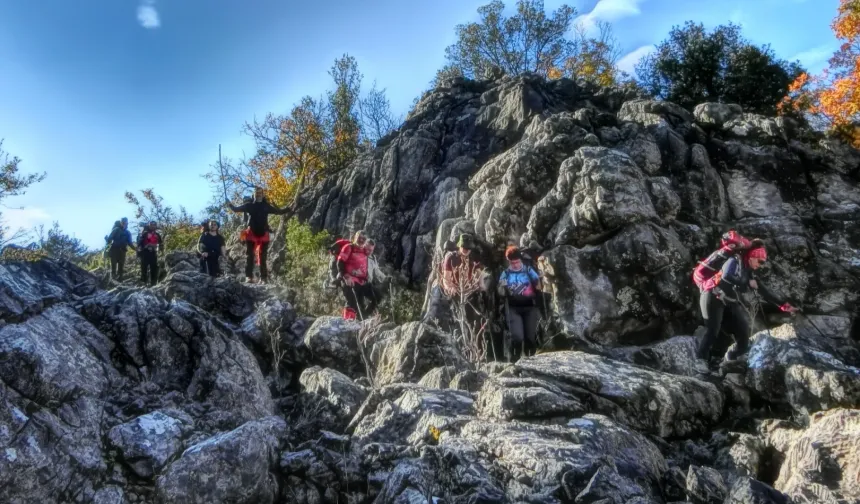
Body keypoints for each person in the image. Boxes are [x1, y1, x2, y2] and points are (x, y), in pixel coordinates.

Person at [696, 240, 797, 373]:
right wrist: (747, 282)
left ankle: (731, 358)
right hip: (712, 296)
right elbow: (726, 276)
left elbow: (763, 291)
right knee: (712, 330)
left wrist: (784, 305)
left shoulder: (746, 270)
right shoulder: (733, 260)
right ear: (752, 256)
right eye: (759, 261)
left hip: (729, 301)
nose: (760, 265)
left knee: (743, 333)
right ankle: (700, 361)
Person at [227, 187, 291, 284]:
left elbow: (279, 211)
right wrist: (230, 204)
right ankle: (249, 276)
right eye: (256, 193)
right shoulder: (249, 206)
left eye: (260, 193)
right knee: (250, 256)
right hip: (251, 233)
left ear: (263, 194)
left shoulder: (266, 206)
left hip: (263, 233)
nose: (258, 195)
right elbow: (236, 209)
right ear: (254, 195)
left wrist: (290, 207)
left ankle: (263, 278)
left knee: (263, 257)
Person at [498, 246, 543, 362]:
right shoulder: (505, 273)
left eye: (517, 262)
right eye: (513, 263)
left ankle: (532, 362)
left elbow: (538, 283)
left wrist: (538, 287)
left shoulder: (528, 270)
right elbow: (500, 289)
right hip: (513, 308)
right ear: (509, 262)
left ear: (520, 260)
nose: (516, 265)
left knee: (530, 338)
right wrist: (503, 290)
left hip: (530, 307)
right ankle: (514, 361)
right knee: (517, 337)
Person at [336, 230, 375, 320]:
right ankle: (347, 323)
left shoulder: (364, 251)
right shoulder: (348, 247)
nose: (361, 240)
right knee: (352, 302)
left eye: (363, 239)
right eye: (359, 238)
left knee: (367, 302)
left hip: (361, 282)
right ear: (355, 238)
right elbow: (340, 262)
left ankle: (360, 322)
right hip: (348, 280)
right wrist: (346, 276)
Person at [137, 221, 163, 286]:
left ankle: (153, 284)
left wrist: (161, 251)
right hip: (145, 253)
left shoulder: (157, 235)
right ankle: (143, 283)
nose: (153, 226)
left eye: (154, 225)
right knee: (144, 269)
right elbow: (140, 243)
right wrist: (138, 253)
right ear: (149, 225)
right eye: (151, 225)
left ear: (156, 226)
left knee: (153, 269)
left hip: (153, 253)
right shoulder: (145, 233)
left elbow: (161, 244)